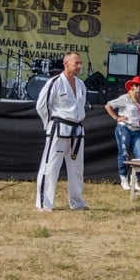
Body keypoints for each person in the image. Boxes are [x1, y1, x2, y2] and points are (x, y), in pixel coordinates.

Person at [34, 51, 89, 212]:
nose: (79, 66)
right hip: (58, 129)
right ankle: (44, 203)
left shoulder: (81, 85)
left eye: (80, 63)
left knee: (77, 169)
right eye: (76, 63)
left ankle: (77, 202)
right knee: (50, 167)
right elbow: (42, 106)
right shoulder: (55, 82)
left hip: (77, 131)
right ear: (66, 63)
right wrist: (50, 124)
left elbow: (81, 107)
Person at [105, 75, 140, 191]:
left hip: (137, 129)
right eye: (137, 86)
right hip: (124, 128)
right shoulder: (125, 98)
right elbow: (108, 106)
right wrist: (117, 117)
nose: (139, 88)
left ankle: (135, 180)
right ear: (131, 87)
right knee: (124, 153)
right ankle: (123, 179)